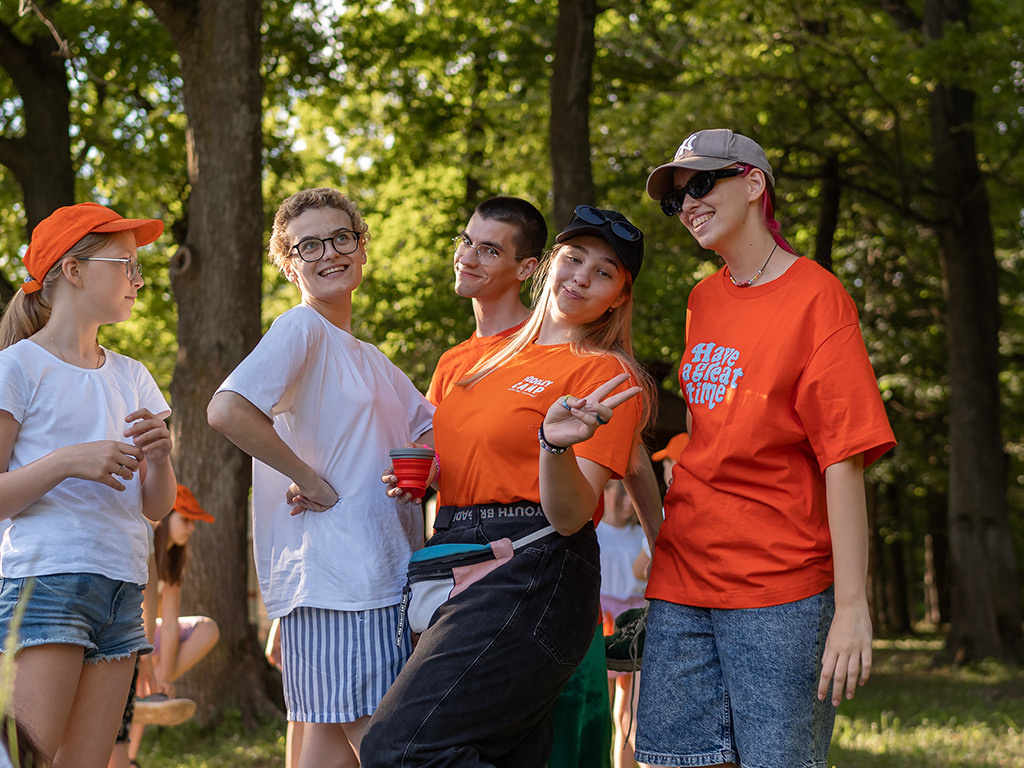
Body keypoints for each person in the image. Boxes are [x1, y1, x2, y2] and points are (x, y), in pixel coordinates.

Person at [635, 128, 896, 768]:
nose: (688, 204)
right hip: (682, 577)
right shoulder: (702, 299)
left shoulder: (818, 298)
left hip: (779, 586)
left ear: (754, 184)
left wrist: (854, 607)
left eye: (701, 184)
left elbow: (844, 457)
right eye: (676, 199)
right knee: (675, 761)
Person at [363, 205, 654, 768]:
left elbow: (572, 514)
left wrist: (554, 445)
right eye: (574, 259)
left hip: (536, 563)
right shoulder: (471, 358)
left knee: (399, 749)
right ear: (549, 265)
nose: (581, 277)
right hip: (451, 553)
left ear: (619, 296)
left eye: (604, 272)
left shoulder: (605, 375)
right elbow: (462, 459)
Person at [207, 187, 434, 768]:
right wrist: (310, 478)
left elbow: (432, 432)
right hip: (342, 582)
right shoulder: (300, 328)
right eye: (308, 245)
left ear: (362, 247)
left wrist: (418, 474)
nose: (328, 252)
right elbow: (227, 409)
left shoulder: (371, 357)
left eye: (341, 237)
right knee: (391, 752)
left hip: (382, 574)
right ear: (288, 262)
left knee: (329, 751)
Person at [0, 202, 176, 768]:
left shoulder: (134, 375)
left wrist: (162, 461)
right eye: (126, 264)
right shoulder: (18, 368)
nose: (137, 280)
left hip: (122, 591)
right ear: (74, 271)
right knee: (23, 760)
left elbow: (157, 507)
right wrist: (67, 461)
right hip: (47, 583)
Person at [122, 484, 219, 764]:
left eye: (194, 521)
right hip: (136, 629)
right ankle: (129, 752)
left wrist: (163, 674)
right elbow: (142, 607)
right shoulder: (145, 539)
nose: (191, 527)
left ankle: (153, 692)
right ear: (165, 516)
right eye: (185, 518)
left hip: (155, 632)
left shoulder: (175, 558)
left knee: (208, 628)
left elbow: (173, 621)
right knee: (138, 679)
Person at [598, 480, 650, 768]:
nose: (629, 500)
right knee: (601, 709)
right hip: (605, 623)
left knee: (629, 711)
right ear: (604, 491)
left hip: (635, 624)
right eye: (621, 491)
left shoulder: (642, 535)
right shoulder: (594, 533)